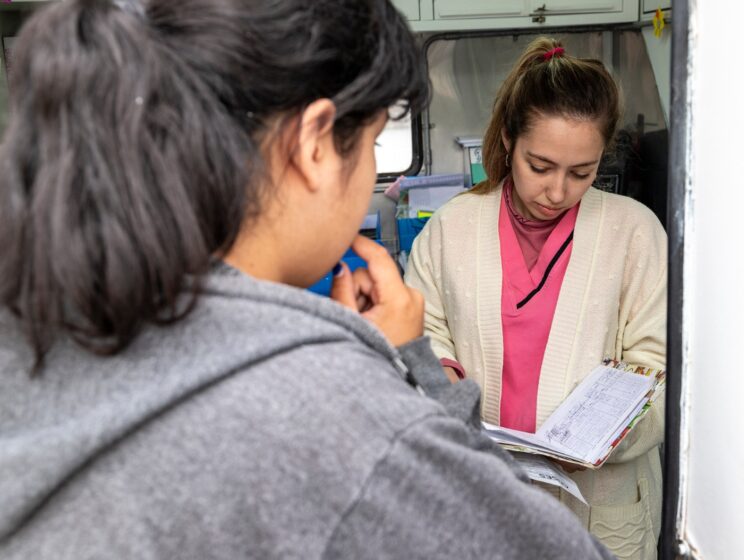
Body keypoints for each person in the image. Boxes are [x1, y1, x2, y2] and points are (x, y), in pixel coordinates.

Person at [0, 2, 617, 559]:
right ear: (315, 143)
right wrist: (416, 368)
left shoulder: (38, 318)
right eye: (373, 141)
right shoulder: (346, 412)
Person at [405, 37, 667, 560]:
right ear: (508, 141)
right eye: (540, 166)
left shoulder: (634, 232)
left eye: (581, 173)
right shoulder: (453, 226)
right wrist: (443, 380)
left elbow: (658, 365)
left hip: (601, 504)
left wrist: (597, 439)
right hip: (485, 488)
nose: (558, 191)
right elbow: (422, 329)